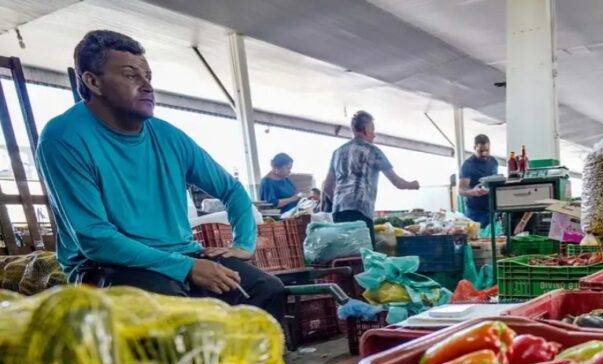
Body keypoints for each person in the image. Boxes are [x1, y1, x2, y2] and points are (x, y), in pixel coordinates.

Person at [36, 30, 285, 322]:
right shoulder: (64, 137)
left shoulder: (169, 137)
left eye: (148, 77)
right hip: (106, 266)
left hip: (182, 254)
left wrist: (243, 244)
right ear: (93, 81)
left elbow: (232, 189)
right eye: (131, 76)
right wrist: (186, 268)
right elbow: (96, 239)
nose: (146, 86)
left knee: (267, 290)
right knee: (175, 315)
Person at [324, 110, 419, 224]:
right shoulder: (373, 151)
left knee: (344, 242)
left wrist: (338, 202)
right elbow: (397, 182)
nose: (374, 135)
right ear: (365, 129)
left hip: (338, 212)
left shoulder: (338, 152)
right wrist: (412, 185)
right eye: (372, 129)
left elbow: (327, 187)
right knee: (363, 242)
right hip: (361, 211)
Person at [458, 134, 499, 225]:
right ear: (474, 147)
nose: (484, 153)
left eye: (487, 150)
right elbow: (461, 190)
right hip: (475, 212)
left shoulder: (494, 162)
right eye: (481, 151)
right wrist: (473, 192)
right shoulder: (467, 165)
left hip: (493, 209)